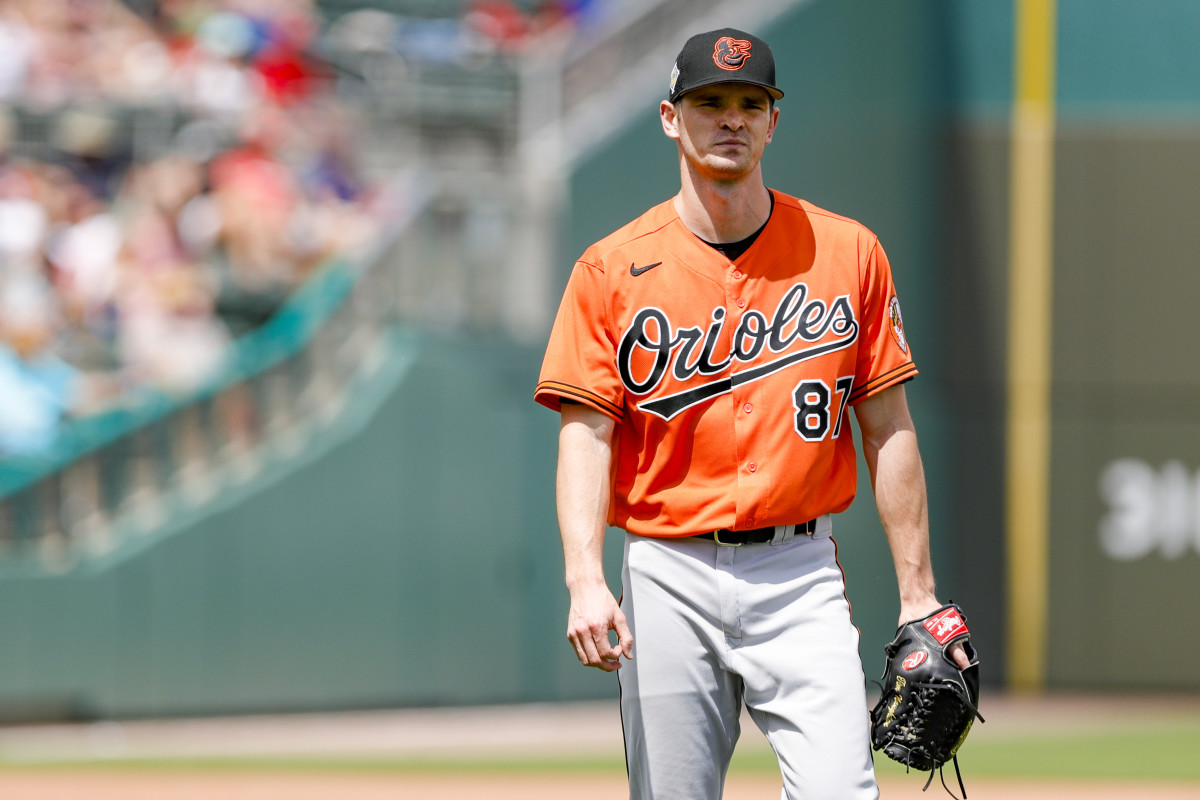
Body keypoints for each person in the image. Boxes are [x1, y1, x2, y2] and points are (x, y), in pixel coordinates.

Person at [534, 28, 969, 799]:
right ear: (672, 118)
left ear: (774, 121)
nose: (729, 119)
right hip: (667, 566)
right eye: (710, 103)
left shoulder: (849, 252)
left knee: (841, 791)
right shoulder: (608, 268)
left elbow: (888, 428)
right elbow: (586, 433)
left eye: (748, 103)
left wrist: (919, 592)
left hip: (798, 571)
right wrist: (583, 578)